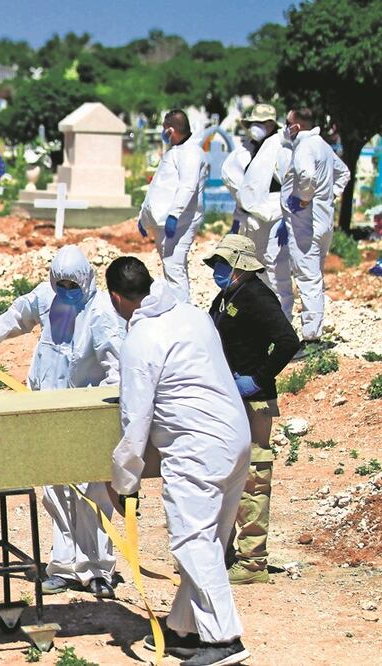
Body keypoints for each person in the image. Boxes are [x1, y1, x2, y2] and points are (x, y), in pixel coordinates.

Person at [0, 245, 124, 598]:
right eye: (60, 284)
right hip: (47, 408)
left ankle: (98, 570)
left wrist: (106, 412)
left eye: (71, 285)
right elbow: (16, 316)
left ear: (87, 281)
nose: (65, 291)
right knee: (55, 490)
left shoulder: (101, 312)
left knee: (92, 493)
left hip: (85, 414)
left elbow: (116, 368)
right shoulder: (47, 297)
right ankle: (63, 567)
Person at [105, 256, 250, 666]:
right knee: (208, 539)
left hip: (197, 448)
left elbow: (135, 421)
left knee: (191, 539)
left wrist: (124, 483)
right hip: (234, 437)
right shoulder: (191, 313)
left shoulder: (141, 339)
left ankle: (224, 638)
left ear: (116, 297)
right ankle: (184, 628)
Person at [203, 235, 299, 585]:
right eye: (215, 264)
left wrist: (257, 378)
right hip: (228, 399)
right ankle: (224, 550)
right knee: (226, 475)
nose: (217, 270)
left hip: (253, 401)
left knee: (253, 478)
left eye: (223, 264)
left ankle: (253, 562)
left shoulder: (257, 296)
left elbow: (288, 341)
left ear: (240, 263)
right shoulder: (229, 294)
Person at [281, 107, 350, 352]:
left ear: (296, 126)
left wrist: (303, 198)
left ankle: (311, 339)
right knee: (315, 277)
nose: (285, 127)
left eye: (287, 122)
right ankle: (314, 331)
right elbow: (344, 173)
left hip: (305, 225)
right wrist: (329, 195)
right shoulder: (322, 145)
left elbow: (307, 176)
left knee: (307, 279)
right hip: (323, 223)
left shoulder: (304, 147)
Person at [221, 103, 293, 318]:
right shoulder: (245, 150)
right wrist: (237, 218)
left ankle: (283, 320)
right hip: (251, 220)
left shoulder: (281, 149)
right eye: (253, 123)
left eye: (260, 123)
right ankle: (263, 319)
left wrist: (287, 219)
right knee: (253, 267)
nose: (255, 127)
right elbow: (241, 187)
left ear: (271, 124)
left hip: (275, 217)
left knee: (276, 269)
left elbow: (290, 185)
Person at [136, 109, 208, 303]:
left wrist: (174, 215)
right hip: (164, 220)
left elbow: (188, 186)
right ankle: (176, 309)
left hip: (181, 221)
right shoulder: (176, 151)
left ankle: (182, 314)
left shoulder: (191, 152)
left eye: (163, 129)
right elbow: (158, 187)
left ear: (171, 130)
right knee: (171, 267)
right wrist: (143, 217)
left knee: (174, 267)